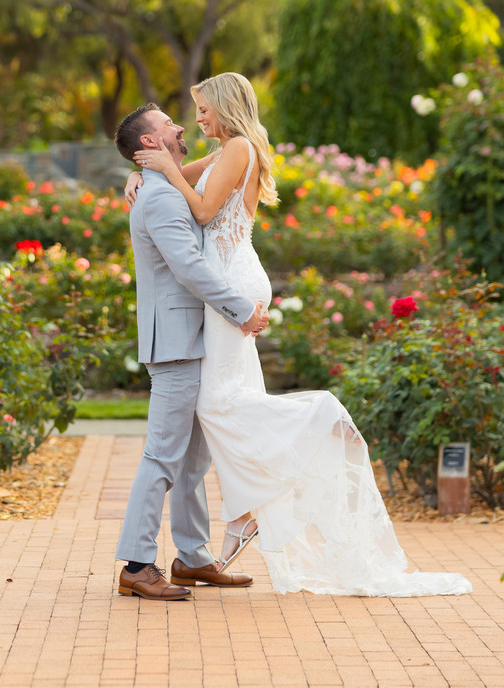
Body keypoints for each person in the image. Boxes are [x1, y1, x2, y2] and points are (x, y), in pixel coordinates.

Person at [125, 72, 472, 596]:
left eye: (200, 111)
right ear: (151, 143)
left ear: (225, 107)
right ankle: (215, 533)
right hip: (223, 292)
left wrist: (160, 174)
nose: (192, 122)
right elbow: (178, 176)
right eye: (180, 119)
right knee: (204, 428)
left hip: (231, 285)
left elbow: (196, 205)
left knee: (220, 408)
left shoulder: (239, 146)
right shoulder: (223, 153)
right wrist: (139, 177)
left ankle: (269, 479)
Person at [113, 103, 269, 601]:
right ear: (150, 145)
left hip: (197, 341)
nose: (181, 126)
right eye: (168, 126)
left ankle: (193, 559)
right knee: (162, 455)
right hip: (178, 345)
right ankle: (137, 564)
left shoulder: (164, 185)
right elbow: (189, 268)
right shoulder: (158, 199)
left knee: (191, 461)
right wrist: (241, 310)